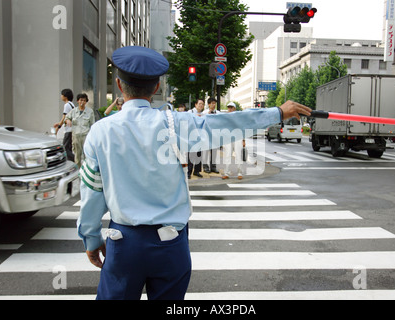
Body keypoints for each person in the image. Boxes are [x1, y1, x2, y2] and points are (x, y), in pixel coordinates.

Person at [77, 46, 312, 300]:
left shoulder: (100, 132)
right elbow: (228, 123)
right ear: (156, 88)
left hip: (124, 243)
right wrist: (276, 112)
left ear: (119, 85)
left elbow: (92, 193)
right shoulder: (175, 123)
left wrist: (91, 239)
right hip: (170, 245)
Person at [66, 93, 95, 168]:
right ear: (77, 101)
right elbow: (66, 118)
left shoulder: (90, 111)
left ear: (86, 102)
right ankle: (78, 171)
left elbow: (92, 124)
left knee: (87, 155)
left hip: (86, 136)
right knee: (77, 156)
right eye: (81, 100)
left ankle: (86, 170)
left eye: (84, 100)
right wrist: (68, 120)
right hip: (76, 136)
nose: (82, 102)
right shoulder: (73, 111)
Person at [222, 102, 244, 180]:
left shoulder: (239, 117)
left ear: (234, 108)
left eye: (231, 107)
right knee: (227, 155)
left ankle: (240, 173)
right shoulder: (225, 117)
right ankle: (226, 173)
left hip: (238, 137)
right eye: (229, 107)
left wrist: (243, 139)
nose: (230, 109)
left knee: (238, 155)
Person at [54, 89, 75, 162]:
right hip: (72, 129)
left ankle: (74, 161)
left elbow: (64, 117)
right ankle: (72, 161)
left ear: (65, 96)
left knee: (65, 148)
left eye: (61, 95)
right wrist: (59, 123)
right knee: (69, 148)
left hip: (68, 130)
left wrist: (58, 127)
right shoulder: (72, 104)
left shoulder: (66, 105)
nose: (61, 96)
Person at [187, 99, 205, 179]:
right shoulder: (190, 112)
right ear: (195, 104)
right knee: (191, 155)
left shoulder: (203, 114)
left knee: (198, 154)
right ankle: (188, 172)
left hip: (200, 137)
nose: (201, 105)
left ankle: (196, 171)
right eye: (200, 104)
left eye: (202, 104)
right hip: (191, 137)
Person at [202, 98, 220, 174]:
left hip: (215, 135)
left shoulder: (218, 113)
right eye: (212, 103)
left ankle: (213, 167)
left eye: (215, 103)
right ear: (209, 104)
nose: (214, 105)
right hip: (206, 134)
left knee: (214, 151)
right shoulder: (205, 112)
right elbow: (202, 121)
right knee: (205, 151)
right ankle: (205, 166)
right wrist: (209, 113)